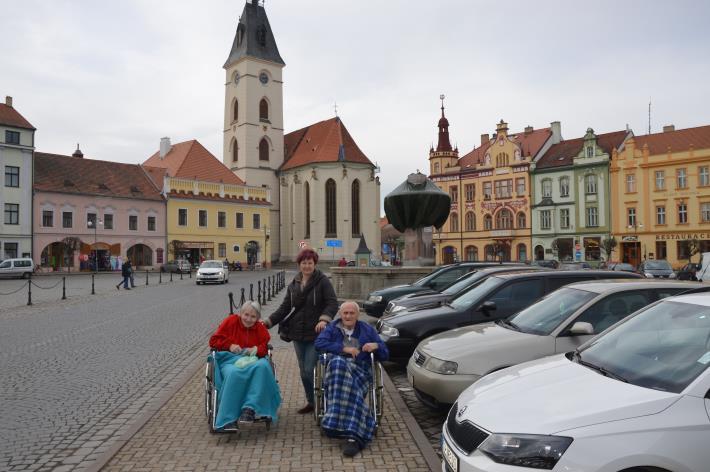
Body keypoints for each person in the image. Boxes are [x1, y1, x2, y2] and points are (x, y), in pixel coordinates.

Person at [263, 248, 338, 414]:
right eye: (304, 263)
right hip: (297, 333)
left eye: (310, 263)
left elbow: (332, 303)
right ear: (299, 265)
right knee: (303, 372)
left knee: (310, 369)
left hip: (316, 333)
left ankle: (323, 400)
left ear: (314, 264)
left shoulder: (322, 281)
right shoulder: (294, 283)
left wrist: (324, 319)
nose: (307, 266)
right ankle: (312, 401)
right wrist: (268, 322)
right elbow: (285, 308)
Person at [314, 301, 389, 457]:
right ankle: (354, 436)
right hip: (335, 372)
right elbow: (319, 343)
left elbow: (385, 353)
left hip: (359, 371)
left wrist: (376, 346)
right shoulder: (332, 328)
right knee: (338, 362)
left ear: (358, 315)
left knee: (341, 373)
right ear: (340, 315)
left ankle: (337, 425)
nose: (348, 316)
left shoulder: (367, 329)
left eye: (351, 313)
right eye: (345, 313)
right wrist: (343, 349)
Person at [209, 301, 281, 427]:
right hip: (230, 360)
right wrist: (229, 345)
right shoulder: (231, 321)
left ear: (258, 318)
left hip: (252, 360)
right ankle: (228, 416)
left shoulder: (260, 329)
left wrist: (255, 350)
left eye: (253, 317)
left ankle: (249, 408)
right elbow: (214, 340)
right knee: (234, 373)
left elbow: (264, 347)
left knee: (263, 366)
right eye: (246, 315)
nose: (248, 319)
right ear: (240, 313)